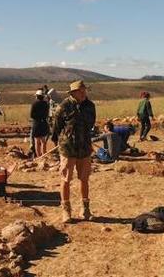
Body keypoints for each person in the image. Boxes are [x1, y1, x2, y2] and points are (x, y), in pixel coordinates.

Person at [52, 80, 96, 223]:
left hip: (84, 148)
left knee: (84, 179)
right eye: (80, 91)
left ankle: (85, 209)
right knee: (66, 180)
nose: (83, 93)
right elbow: (56, 127)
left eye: (84, 90)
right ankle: (66, 210)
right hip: (68, 149)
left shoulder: (90, 106)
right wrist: (60, 143)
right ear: (73, 93)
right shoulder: (64, 106)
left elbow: (91, 125)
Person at [30, 90, 50, 157]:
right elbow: (47, 114)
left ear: (37, 96)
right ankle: (44, 155)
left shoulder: (34, 103)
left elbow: (31, 115)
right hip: (44, 123)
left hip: (36, 123)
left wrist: (37, 118)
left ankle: (39, 156)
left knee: (36, 141)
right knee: (43, 141)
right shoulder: (46, 104)